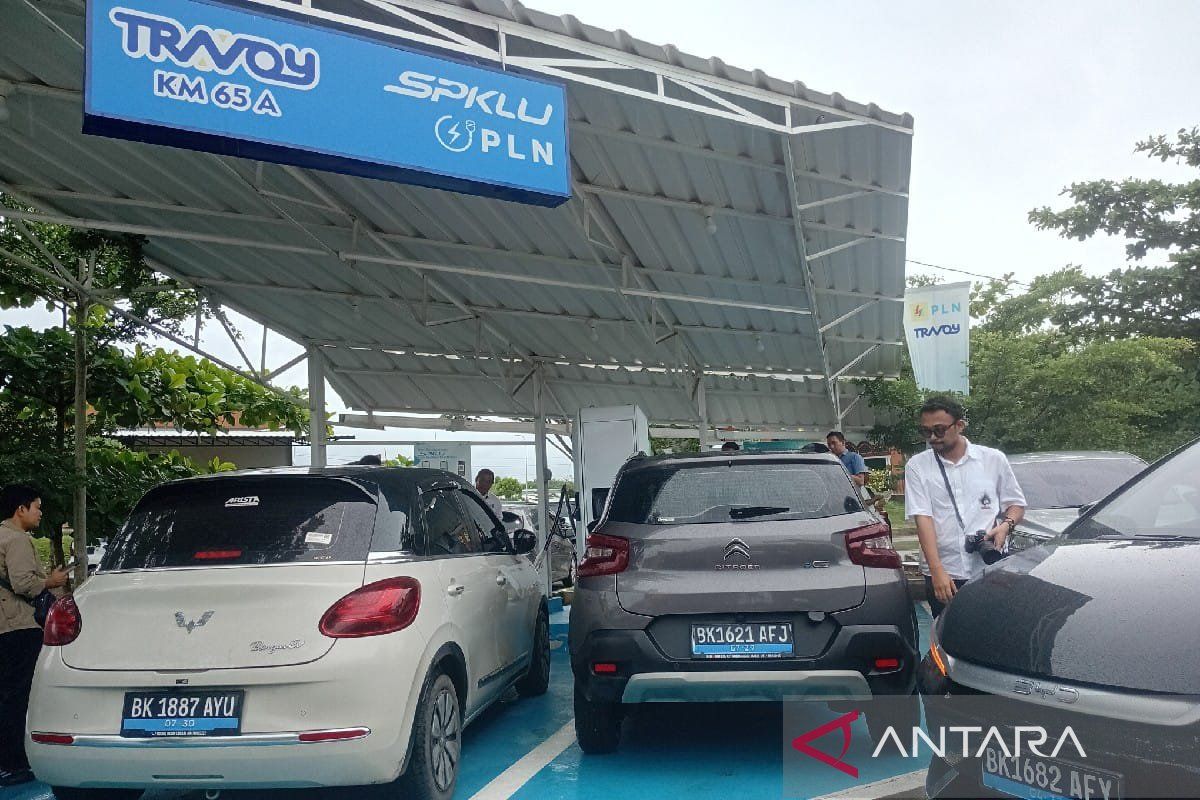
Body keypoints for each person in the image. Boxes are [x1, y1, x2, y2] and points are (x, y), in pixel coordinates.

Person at [905, 398, 1026, 618]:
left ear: (959, 425)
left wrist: (1006, 526)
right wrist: (937, 571)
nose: (933, 437)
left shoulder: (993, 459)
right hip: (945, 572)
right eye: (926, 431)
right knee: (946, 631)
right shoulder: (917, 466)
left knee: (992, 629)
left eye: (939, 430)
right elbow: (923, 519)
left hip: (989, 567)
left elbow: (1016, 504)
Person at [0, 485, 69, 786]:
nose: (40, 513)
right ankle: (14, 762)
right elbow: (23, 583)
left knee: (6, 693)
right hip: (18, 625)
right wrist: (52, 581)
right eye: (37, 507)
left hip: (4, 626)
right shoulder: (16, 539)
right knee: (18, 695)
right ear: (21, 509)